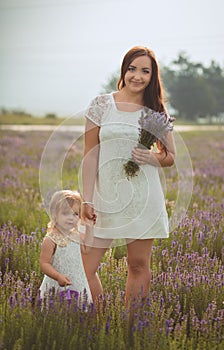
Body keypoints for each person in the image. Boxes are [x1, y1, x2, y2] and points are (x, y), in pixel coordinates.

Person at [81, 46, 176, 306]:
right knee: (85, 268)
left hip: (143, 199)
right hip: (105, 197)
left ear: (152, 76)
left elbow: (170, 157)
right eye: (132, 69)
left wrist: (151, 158)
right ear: (124, 70)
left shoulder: (155, 112)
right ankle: (97, 325)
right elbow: (90, 154)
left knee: (137, 265)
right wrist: (86, 200)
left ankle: (132, 330)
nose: (137, 76)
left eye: (145, 71)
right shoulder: (101, 105)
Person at [39, 190, 92, 302]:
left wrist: (90, 227)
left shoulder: (76, 236)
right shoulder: (51, 239)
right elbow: (44, 263)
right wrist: (58, 276)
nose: (71, 218)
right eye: (65, 213)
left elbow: (87, 250)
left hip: (77, 281)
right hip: (57, 283)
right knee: (57, 310)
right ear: (54, 214)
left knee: (79, 310)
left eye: (75, 214)